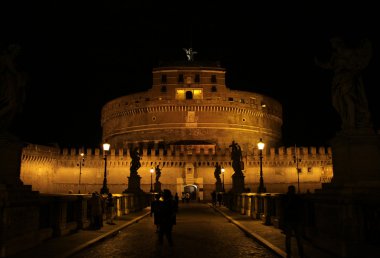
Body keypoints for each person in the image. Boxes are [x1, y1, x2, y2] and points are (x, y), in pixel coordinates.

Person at [315, 37, 372, 131]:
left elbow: (355, 63)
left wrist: (350, 68)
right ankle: (347, 122)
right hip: (338, 79)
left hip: (347, 78)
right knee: (336, 102)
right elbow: (331, 65)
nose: (333, 46)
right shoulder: (336, 55)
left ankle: (351, 124)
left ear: (338, 43)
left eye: (334, 44)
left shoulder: (347, 52)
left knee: (348, 99)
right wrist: (320, 64)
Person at [282, 185, 305, 258]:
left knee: (289, 237)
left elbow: (283, 210)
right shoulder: (297, 198)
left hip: (290, 220)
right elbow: (301, 209)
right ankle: (300, 252)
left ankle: (289, 252)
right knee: (298, 237)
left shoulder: (286, 198)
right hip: (295, 220)